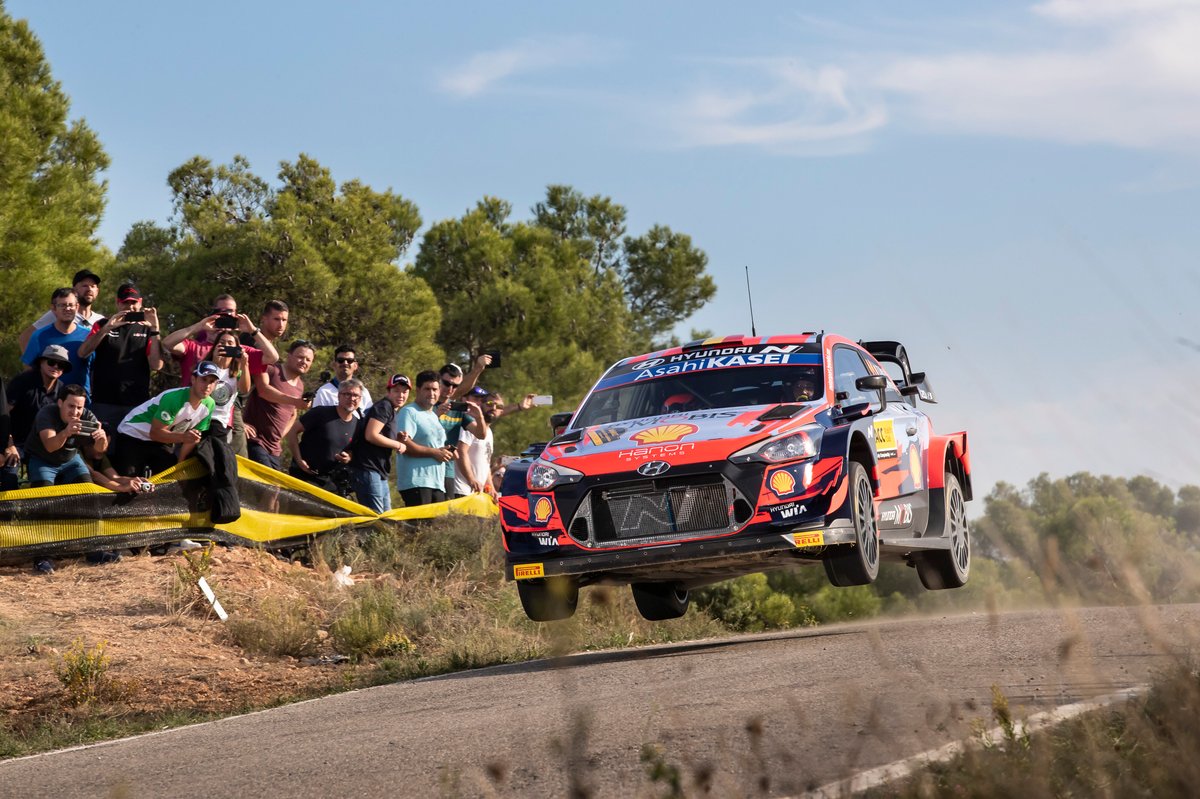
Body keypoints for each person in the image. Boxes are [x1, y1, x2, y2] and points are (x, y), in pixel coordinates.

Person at [77, 283, 164, 435]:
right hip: (104, 402)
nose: (129, 307)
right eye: (125, 302)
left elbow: (157, 365)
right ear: (118, 303)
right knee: (101, 449)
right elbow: (82, 353)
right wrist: (106, 329)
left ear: (140, 303)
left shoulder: (147, 328)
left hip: (136, 403)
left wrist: (155, 330)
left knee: (131, 451)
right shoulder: (103, 324)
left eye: (133, 302)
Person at [113, 362, 220, 477]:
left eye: (212, 382)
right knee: (130, 482)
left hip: (162, 440)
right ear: (193, 379)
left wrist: (179, 467)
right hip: (133, 435)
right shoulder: (173, 399)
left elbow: (192, 440)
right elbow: (155, 433)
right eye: (204, 379)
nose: (207, 385)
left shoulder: (210, 404)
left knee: (169, 479)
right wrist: (184, 437)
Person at [397, 370, 485, 507]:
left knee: (435, 528)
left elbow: (434, 446)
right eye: (427, 389)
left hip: (437, 482)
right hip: (417, 481)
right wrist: (436, 453)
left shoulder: (432, 415)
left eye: (435, 389)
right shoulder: (409, 412)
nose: (431, 393)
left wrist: (446, 451)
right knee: (418, 527)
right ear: (418, 389)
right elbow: (404, 445)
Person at [3, 345, 71, 490]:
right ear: (41, 362)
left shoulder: (62, 390)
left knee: (68, 474)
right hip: (17, 442)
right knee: (10, 470)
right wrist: (9, 444)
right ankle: (10, 512)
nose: (56, 366)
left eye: (61, 365)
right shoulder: (22, 381)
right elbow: (4, 415)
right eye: (51, 362)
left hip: (45, 446)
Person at [242, 340, 314, 469]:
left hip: (274, 449)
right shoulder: (272, 370)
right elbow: (263, 391)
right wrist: (240, 423)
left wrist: (280, 437)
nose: (304, 362)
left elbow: (292, 414)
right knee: (265, 484)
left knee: (275, 488)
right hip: (255, 441)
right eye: (300, 357)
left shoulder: (300, 386)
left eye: (308, 360)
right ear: (289, 355)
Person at [285, 378, 363, 492]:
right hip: (304, 476)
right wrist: (298, 460)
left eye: (356, 395)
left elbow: (353, 450)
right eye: (347, 394)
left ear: (360, 399)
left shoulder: (358, 425)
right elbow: (292, 431)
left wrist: (348, 457)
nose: (352, 398)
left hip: (330, 483)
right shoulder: (321, 413)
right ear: (339, 396)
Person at [347, 374, 410, 512]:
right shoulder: (384, 406)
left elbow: (380, 434)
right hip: (368, 468)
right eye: (396, 391)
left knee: (385, 516)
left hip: (378, 470)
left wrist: (397, 438)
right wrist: (398, 445)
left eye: (404, 392)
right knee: (377, 517)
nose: (401, 395)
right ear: (389, 391)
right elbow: (371, 435)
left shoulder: (391, 409)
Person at [24, 384, 106, 488]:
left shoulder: (87, 416)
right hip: (42, 459)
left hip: (70, 459)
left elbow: (99, 450)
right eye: (71, 406)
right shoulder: (47, 413)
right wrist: (66, 432)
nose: (75, 412)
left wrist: (101, 439)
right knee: (43, 495)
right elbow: (50, 447)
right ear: (60, 403)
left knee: (86, 490)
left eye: (79, 407)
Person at [20, 288, 92, 397]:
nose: (67, 309)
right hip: (47, 402)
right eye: (62, 305)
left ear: (77, 307)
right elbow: (28, 367)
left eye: (71, 305)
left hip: (79, 404)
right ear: (53, 308)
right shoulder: (39, 336)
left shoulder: (89, 336)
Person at [17, 269, 104, 352]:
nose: (89, 289)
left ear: (97, 291)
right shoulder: (59, 313)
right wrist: (31, 366)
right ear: (74, 290)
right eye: (84, 286)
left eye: (93, 286)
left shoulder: (101, 320)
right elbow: (25, 338)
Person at [453, 388, 502, 499]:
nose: (493, 408)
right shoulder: (470, 425)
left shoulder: (488, 432)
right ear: (481, 405)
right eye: (489, 404)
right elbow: (461, 451)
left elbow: (486, 463)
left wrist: (491, 487)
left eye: (499, 406)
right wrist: (471, 480)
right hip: (462, 489)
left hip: (477, 493)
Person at [312, 345, 373, 417]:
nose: (345, 363)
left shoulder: (364, 392)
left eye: (349, 360)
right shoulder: (323, 392)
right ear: (334, 364)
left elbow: (370, 418)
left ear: (355, 365)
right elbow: (315, 420)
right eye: (341, 360)